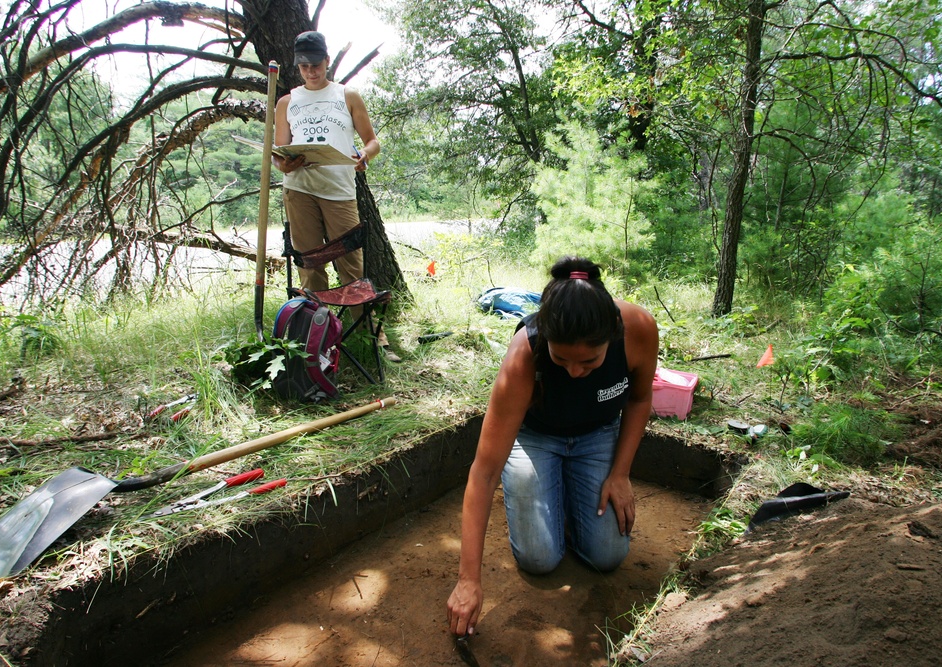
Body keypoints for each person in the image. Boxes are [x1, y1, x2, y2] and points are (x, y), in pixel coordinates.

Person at [446, 256, 659, 637]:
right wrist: (468, 579)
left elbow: (640, 400)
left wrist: (621, 472)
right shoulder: (524, 354)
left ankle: (569, 492)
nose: (575, 372)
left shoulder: (638, 329)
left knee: (607, 556)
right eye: (562, 359)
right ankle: (551, 487)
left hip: (597, 433)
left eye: (590, 361)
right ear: (545, 338)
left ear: (611, 336)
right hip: (536, 438)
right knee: (539, 559)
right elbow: (484, 471)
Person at [273, 30, 399, 362]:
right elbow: (278, 154)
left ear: (327, 61)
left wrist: (364, 157)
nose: (311, 72)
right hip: (300, 190)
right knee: (309, 262)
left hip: (339, 189)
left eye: (316, 65)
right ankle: (315, 339)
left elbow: (372, 141)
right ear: (298, 67)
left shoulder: (347, 96)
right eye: (304, 67)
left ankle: (371, 336)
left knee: (351, 262)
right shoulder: (286, 101)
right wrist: (285, 163)